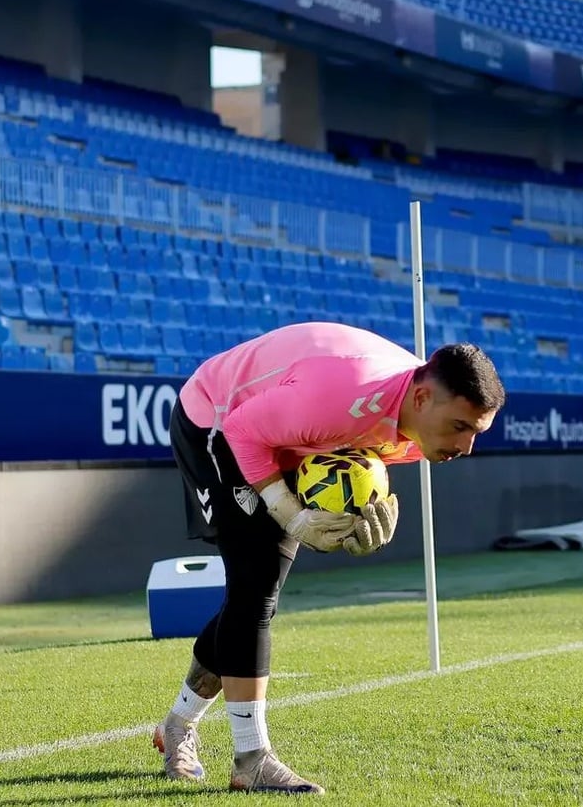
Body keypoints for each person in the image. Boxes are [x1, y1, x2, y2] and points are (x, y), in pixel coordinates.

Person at [152, 320, 505, 794]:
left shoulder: (417, 418)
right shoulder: (340, 396)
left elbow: (361, 451)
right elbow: (244, 428)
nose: (466, 447)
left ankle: (178, 723)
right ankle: (251, 758)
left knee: (260, 594)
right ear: (421, 399)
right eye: (460, 427)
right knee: (254, 587)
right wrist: (289, 513)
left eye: (476, 432)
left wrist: (366, 512)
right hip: (218, 421)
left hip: (291, 436)